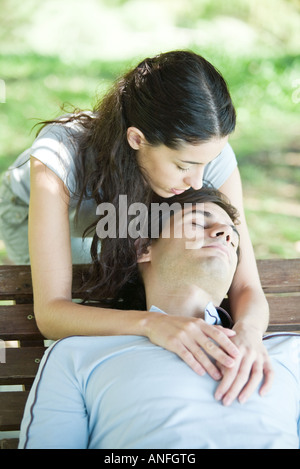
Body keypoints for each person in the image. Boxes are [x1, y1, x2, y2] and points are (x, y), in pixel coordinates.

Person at [0, 50, 270, 397]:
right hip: (51, 212)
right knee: (70, 318)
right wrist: (153, 324)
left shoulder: (202, 159)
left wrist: (249, 332)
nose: (199, 182)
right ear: (137, 139)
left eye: (209, 162)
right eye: (184, 165)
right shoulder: (60, 155)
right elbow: (51, 312)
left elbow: (248, 286)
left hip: (134, 204)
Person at [18, 188, 299, 449]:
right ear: (143, 248)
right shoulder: (76, 355)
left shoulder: (290, 354)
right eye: (199, 223)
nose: (226, 233)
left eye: (233, 238)